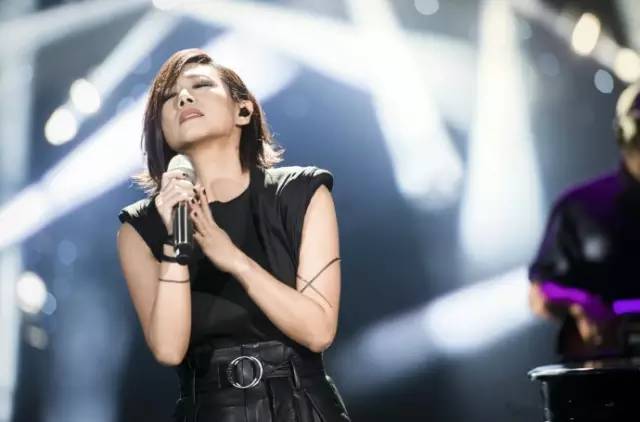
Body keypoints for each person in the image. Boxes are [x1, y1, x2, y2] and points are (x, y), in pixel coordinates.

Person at [116, 48, 350, 422]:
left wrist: (235, 260)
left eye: (201, 85)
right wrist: (176, 245)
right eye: (168, 97)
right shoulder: (139, 229)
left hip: (300, 404)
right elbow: (169, 350)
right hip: (207, 410)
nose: (183, 97)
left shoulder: (299, 193)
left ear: (243, 110)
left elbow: (318, 330)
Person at [528, 82, 640, 362]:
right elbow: (541, 290)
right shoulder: (580, 207)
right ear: (628, 133)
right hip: (607, 372)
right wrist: (581, 305)